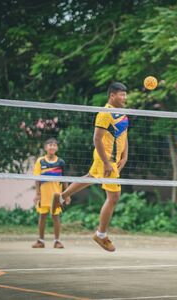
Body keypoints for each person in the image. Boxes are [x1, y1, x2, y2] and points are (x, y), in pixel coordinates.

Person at [52, 82, 129, 252]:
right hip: (105, 157)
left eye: (125, 94)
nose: (125, 98)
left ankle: (62, 196)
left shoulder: (122, 113)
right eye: (121, 95)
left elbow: (124, 133)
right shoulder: (104, 113)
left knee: (91, 177)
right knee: (114, 197)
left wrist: (125, 155)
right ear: (112, 96)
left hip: (114, 158)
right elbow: (96, 139)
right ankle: (101, 234)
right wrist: (108, 162)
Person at [32, 138, 67, 249]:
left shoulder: (61, 162)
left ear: (57, 148)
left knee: (56, 217)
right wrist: (38, 194)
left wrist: (66, 194)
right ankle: (40, 241)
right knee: (42, 217)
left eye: (54, 145)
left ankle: (57, 241)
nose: (52, 147)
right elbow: (37, 179)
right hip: (43, 195)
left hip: (56, 195)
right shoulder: (40, 161)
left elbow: (65, 179)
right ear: (45, 148)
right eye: (49, 145)